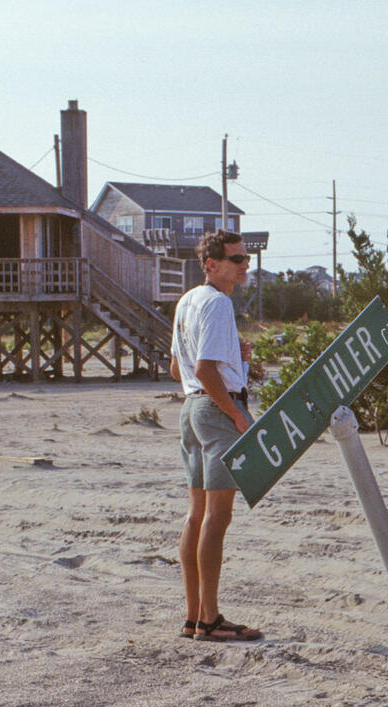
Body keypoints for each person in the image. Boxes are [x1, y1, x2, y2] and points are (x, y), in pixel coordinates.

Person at [169, 229, 263, 641]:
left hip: (190, 410)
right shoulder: (219, 303)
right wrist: (238, 416)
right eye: (237, 259)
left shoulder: (188, 300)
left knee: (196, 514)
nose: (246, 265)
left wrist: (234, 357)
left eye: (246, 258)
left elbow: (179, 369)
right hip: (215, 409)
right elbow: (206, 371)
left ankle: (194, 617)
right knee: (218, 516)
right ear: (212, 264)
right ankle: (210, 619)